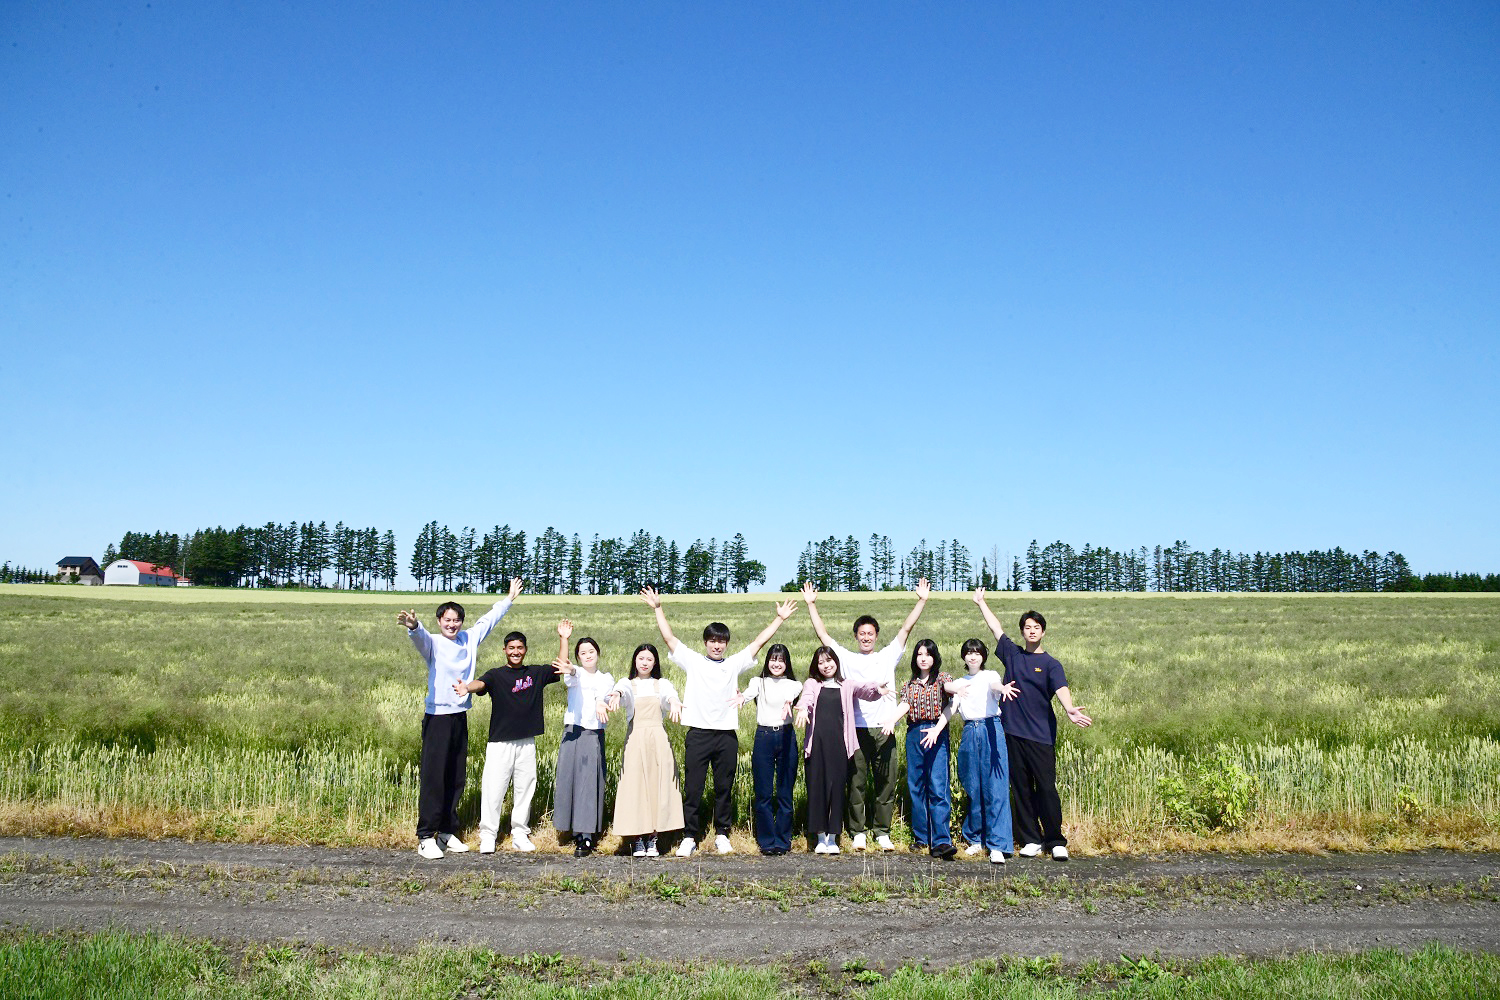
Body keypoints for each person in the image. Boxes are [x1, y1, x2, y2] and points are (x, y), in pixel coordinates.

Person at [640, 587, 797, 857]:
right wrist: (658, 608)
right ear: (705, 642)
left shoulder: (733, 664)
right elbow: (669, 638)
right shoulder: (693, 661)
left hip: (726, 735)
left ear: (726, 644)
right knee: (693, 788)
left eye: (721, 641)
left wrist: (779, 619)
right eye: (712, 640)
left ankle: (722, 833)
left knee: (724, 788)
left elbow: (759, 643)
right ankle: (690, 836)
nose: (717, 645)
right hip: (698, 734)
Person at [396, 576, 523, 860]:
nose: (452, 625)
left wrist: (508, 599)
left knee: (455, 777)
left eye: (456, 620)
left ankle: (446, 831)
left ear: (462, 622)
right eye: (447, 620)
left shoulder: (469, 639)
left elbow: (489, 620)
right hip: (437, 717)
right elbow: (420, 637)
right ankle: (425, 836)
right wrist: (414, 626)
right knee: (434, 777)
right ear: (439, 621)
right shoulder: (433, 643)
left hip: (459, 716)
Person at [800, 578, 931, 851]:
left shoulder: (888, 655)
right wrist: (811, 605)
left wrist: (921, 600)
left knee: (886, 782)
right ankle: (857, 831)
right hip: (855, 730)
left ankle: (882, 832)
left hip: (885, 727)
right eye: (862, 633)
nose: (866, 637)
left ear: (877, 636)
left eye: (870, 633)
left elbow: (906, 629)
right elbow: (823, 635)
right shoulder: (846, 658)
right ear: (856, 636)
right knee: (856, 783)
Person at [973, 588, 1093, 861]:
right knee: (1021, 788)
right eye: (1027, 627)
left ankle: (1055, 840)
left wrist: (1069, 708)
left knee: (1046, 788)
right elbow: (995, 629)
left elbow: (1060, 687)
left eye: (1036, 627)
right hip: (1012, 733)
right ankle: (1031, 840)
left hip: (1041, 735)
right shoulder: (1013, 655)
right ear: (1022, 631)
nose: (1031, 631)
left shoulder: (1051, 664)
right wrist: (981, 603)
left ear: (1043, 632)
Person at [453, 620, 568, 853]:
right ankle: (488, 835)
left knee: (525, 788)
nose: (516, 652)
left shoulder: (535, 673)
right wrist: (467, 688)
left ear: (525, 650)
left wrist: (563, 638)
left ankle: (520, 833)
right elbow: (481, 683)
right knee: (493, 789)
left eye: (520, 648)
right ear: (504, 650)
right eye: (511, 648)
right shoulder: (496, 675)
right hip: (500, 743)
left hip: (526, 741)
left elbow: (561, 667)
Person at [794, 646, 886, 855]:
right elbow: (807, 698)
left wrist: (877, 688)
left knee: (837, 790)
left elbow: (865, 690)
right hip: (817, 745)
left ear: (836, 662)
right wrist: (803, 708)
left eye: (829, 661)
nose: (826, 666)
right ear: (816, 666)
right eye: (821, 662)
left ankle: (833, 838)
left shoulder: (847, 685)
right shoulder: (812, 683)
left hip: (840, 745)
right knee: (817, 789)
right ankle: (820, 838)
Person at [605, 643, 684, 858]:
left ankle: (653, 838)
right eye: (641, 658)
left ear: (655, 662)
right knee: (636, 786)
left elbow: (670, 697)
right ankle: (637, 838)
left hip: (658, 740)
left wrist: (674, 702)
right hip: (635, 739)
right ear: (635, 660)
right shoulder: (628, 683)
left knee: (657, 785)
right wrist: (616, 694)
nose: (645, 663)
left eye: (649, 659)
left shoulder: (662, 684)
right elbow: (622, 691)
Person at [946, 638, 1019, 864]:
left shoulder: (990, 675)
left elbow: (995, 686)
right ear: (963, 656)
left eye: (977, 652)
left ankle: (997, 844)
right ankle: (975, 838)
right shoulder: (960, 682)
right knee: (973, 785)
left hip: (991, 728)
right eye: (969, 652)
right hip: (970, 730)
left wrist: (1003, 688)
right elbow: (951, 706)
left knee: (996, 786)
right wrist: (937, 728)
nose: (973, 656)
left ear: (983, 656)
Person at [882, 638, 956, 858]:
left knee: (938, 785)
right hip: (915, 733)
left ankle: (941, 840)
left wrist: (958, 688)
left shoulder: (943, 679)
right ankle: (921, 837)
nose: (924, 658)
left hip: (936, 731)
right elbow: (905, 704)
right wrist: (891, 720)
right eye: (920, 654)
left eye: (928, 654)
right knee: (916, 786)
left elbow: (950, 692)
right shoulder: (909, 684)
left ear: (935, 657)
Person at [552, 622, 613, 857]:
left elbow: (602, 693)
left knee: (588, 782)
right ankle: (570, 829)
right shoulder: (575, 675)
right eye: (583, 653)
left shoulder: (605, 677)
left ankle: (586, 835)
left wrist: (600, 703)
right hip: (572, 732)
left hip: (592, 733)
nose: (588, 655)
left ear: (598, 653)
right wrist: (564, 639)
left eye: (591, 651)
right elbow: (566, 668)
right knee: (568, 778)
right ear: (578, 657)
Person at [734, 643, 802, 855]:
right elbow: (749, 693)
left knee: (784, 791)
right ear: (767, 661)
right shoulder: (758, 682)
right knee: (763, 792)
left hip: (786, 736)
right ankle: (766, 841)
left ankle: (782, 840)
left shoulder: (794, 684)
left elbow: (793, 691)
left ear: (787, 663)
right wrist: (742, 698)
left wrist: (789, 701)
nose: (776, 664)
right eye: (773, 659)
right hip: (763, 737)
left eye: (781, 660)